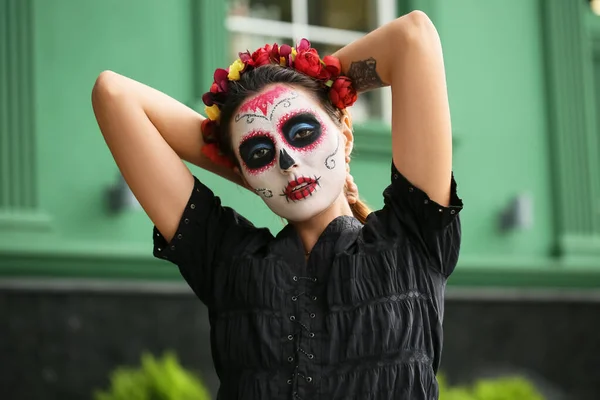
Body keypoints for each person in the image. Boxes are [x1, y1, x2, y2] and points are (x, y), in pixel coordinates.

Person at [92, 10, 463, 400]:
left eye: (303, 132)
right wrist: (254, 172)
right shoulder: (227, 261)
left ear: (345, 132)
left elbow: (413, 37)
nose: (286, 160)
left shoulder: (413, 236)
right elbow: (114, 95)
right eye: (259, 152)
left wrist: (318, 83)